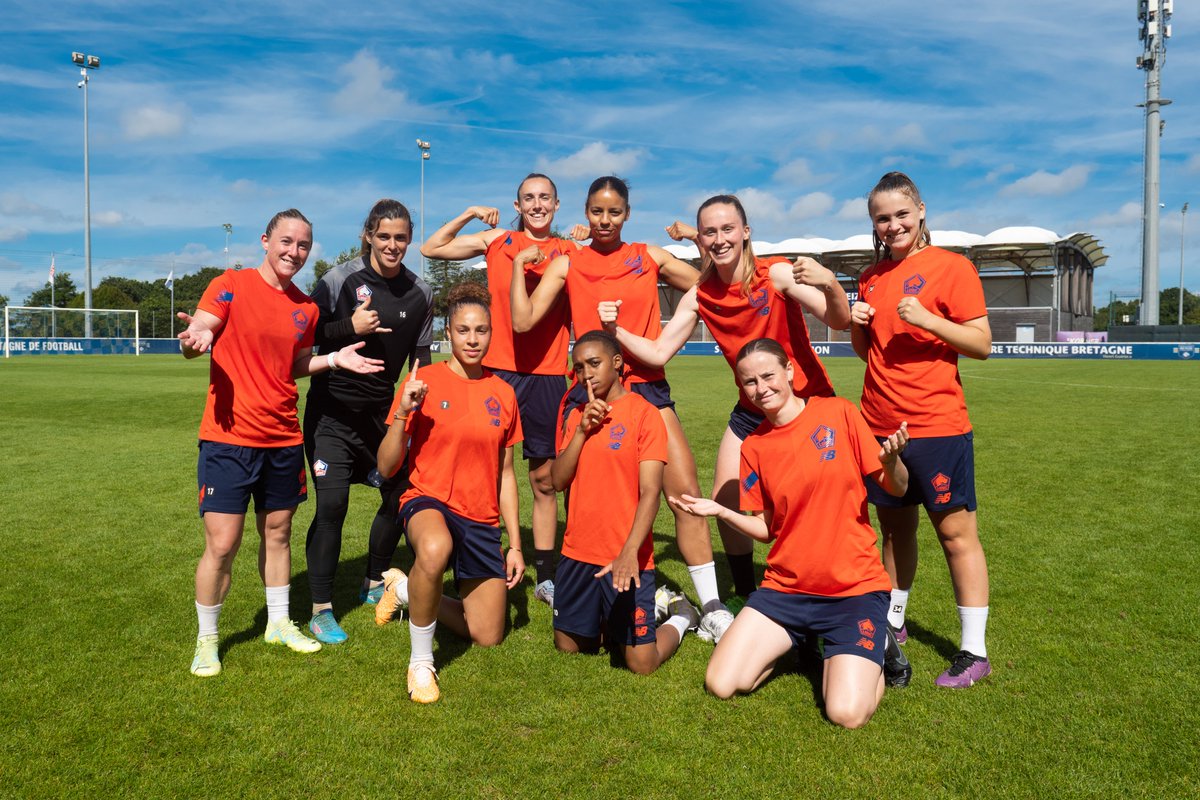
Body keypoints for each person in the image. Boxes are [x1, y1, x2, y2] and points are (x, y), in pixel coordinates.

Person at [510, 175, 736, 642]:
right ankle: (581, 587)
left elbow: (710, 288)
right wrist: (518, 266)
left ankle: (711, 606)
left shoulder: (647, 256)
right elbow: (524, 319)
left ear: (627, 214)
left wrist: (697, 240)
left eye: (614, 211)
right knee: (586, 498)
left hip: (648, 390)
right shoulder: (569, 261)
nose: (605, 220)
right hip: (590, 393)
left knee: (685, 494)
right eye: (596, 211)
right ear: (586, 212)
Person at [599, 194, 850, 600]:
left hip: (808, 405)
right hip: (752, 408)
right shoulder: (701, 294)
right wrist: (616, 333)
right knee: (726, 499)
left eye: (727, 229)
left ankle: (840, 592)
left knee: (819, 504)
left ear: (745, 233)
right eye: (710, 232)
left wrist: (830, 282)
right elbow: (660, 351)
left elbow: (838, 319)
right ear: (701, 238)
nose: (719, 239)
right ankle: (748, 594)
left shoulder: (779, 275)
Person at [179, 208, 384, 678]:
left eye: (304, 245)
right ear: (266, 240)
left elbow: (292, 363)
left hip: (283, 437)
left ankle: (278, 623)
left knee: (278, 534)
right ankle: (207, 640)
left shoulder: (305, 308)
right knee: (223, 543)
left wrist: (333, 360)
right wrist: (195, 339)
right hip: (229, 437)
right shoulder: (230, 283)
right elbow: (203, 330)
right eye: (287, 241)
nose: (295, 251)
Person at [670, 338, 910, 728]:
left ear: (790, 372)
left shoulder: (839, 413)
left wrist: (893, 461)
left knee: (845, 713)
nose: (761, 388)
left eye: (768, 375)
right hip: (787, 590)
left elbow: (897, 486)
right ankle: (802, 639)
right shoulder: (755, 446)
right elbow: (767, 529)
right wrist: (720, 510)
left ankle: (880, 647)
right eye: (749, 382)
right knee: (722, 683)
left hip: (852, 590)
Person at [850, 171, 993, 688]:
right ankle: (895, 623)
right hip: (878, 425)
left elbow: (980, 343)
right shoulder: (869, 276)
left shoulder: (952, 268)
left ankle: (973, 652)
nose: (892, 226)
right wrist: (856, 322)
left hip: (936, 425)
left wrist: (929, 319)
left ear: (921, 211)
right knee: (894, 529)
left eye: (901, 215)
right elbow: (868, 352)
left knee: (956, 535)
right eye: (882, 219)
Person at [419, 174, 577, 607]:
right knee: (485, 473)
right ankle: (477, 563)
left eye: (545, 198)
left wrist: (583, 237)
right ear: (518, 203)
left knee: (543, 480)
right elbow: (430, 248)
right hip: (495, 373)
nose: (537, 204)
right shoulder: (497, 240)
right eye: (529, 198)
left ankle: (546, 577)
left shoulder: (568, 251)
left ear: (557, 205)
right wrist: (470, 213)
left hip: (546, 376)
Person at [373, 283, 524, 704]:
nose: (473, 340)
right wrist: (404, 410)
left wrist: (514, 544)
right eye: (463, 330)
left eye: (481, 330)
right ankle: (421, 663)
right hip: (428, 499)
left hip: (480, 515)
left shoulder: (504, 393)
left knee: (488, 635)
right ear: (448, 332)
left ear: (491, 333)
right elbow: (386, 466)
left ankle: (404, 591)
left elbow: (506, 474)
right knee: (435, 548)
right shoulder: (425, 381)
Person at [302, 199, 433, 644]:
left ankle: (374, 579)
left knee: (400, 496)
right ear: (368, 235)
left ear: (409, 239)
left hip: (383, 418)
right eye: (384, 236)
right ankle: (321, 609)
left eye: (400, 238)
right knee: (332, 506)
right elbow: (305, 335)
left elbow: (421, 357)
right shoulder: (338, 280)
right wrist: (349, 328)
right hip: (331, 417)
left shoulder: (421, 292)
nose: (392, 245)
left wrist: (419, 399)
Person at [550, 330, 700, 673]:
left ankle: (681, 617)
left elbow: (651, 492)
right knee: (570, 647)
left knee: (641, 663)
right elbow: (558, 481)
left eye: (594, 363)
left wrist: (630, 551)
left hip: (626, 556)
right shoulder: (577, 416)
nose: (586, 374)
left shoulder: (644, 414)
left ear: (617, 363)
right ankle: (608, 619)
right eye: (578, 367)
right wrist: (581, 432)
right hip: (578, 554)